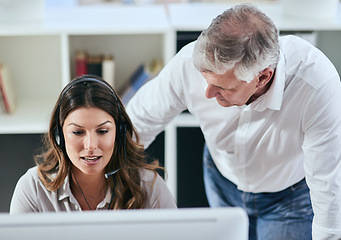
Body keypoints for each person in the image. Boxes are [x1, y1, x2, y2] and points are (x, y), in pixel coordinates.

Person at [125, 4, 341, 240]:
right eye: (206, 80)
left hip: (289, 197)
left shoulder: (316, 85)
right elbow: (139, 121)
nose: (207, 93)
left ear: (262, 77)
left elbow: (329, 184)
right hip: (222, 179)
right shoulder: (188, 63)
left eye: (221, 87)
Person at [10, 75, 177, 213]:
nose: (90, 146)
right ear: (60, 135)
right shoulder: (32, 190)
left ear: (118, 133)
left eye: (102, 131)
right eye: (78, 132)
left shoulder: (149, 187)